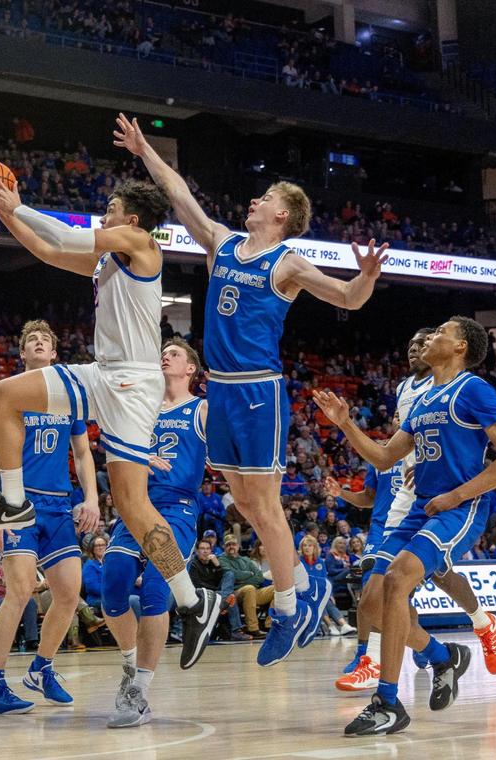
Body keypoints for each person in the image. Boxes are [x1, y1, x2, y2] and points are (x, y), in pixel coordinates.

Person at [116, 112, 386, 666]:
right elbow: (180, 193)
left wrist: (367, 278)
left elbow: (347, 300)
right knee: (242, 503)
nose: (253, 202)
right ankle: (304, 585)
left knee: (264, 507)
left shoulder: (286, 262)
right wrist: (144, 150)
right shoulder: (222, 242)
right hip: (222, 392)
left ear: (282, 214)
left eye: (264, 198)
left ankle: (290, 609)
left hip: (259, 391)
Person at [0, 172, 220, 671]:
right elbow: (49, 251)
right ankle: (15, 504)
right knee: (2, 397)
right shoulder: (108, 258)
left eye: (112, 207)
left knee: (133, 504)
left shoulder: (140, 241)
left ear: (133, 217)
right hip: (105, 376)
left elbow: (64, 235)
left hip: (130, 383)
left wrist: (18, 201)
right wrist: (9, 216)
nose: (105, 214)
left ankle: (190, 601)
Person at [313, 315, 496, 736]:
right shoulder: (424, 397)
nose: (432, 337)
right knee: (372, 604)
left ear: (461, 346)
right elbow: (382, 458)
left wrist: (458, 494)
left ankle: (388, 702)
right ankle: (442, 656)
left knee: (398, 578)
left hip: (457, 508)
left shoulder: (473, 389)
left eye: (442, 332)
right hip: (420, 509)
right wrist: (344, 423)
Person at [0, 319, 100, 714]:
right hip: (21, 506)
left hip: (60, 506)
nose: (39, 343)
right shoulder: (8, 396)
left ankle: (41, 668)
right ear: (23, 353)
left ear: (55, 354)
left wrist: (91, 497)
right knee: (21, 591)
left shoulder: (68, 398)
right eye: (32, 340)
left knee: (68, 594)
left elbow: (82, 453)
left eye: (46, 340)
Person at [101, 339, 208, 727]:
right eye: (163, 352)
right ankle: (131, 666)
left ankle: (139, 693)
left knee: (154, 593)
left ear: (191, 369)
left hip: (177, 507)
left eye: (175, 353)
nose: (166, 355)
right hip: (136, 504)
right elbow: (108, 442)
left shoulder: (202, 408)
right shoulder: (142, 406)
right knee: (111, 586)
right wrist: (141, 458)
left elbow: (228, 448)